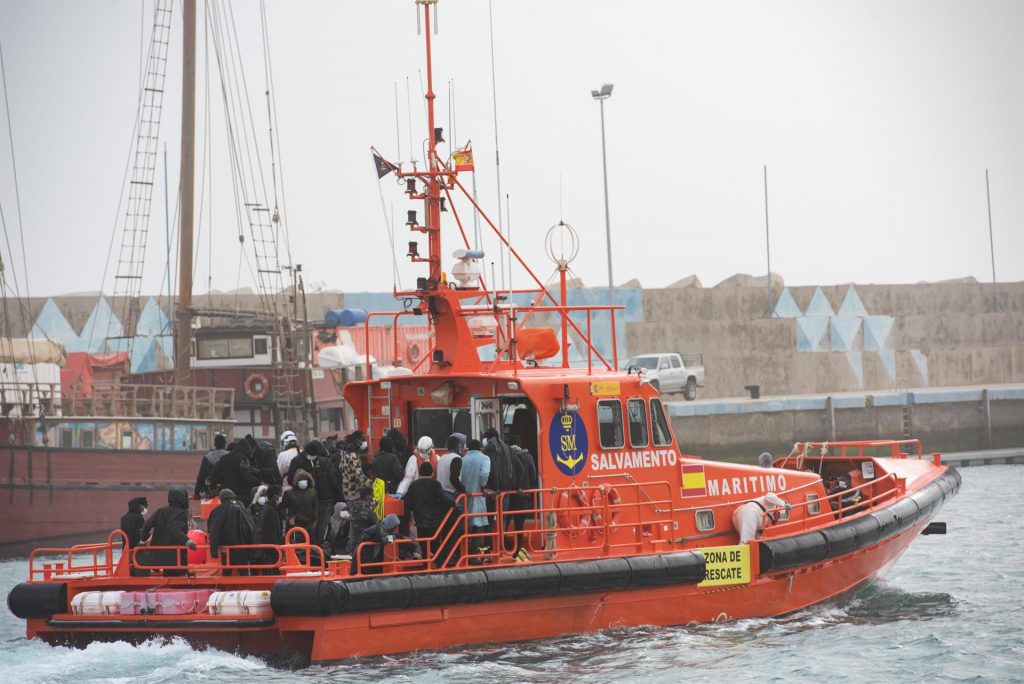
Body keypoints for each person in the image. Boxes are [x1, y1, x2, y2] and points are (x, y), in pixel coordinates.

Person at [287, 440, 339, 542]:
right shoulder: (298, 461)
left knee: (317, 524)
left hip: (321, 499)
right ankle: (314, 545)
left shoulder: (324, 461)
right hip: (308, 499)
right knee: (313, 523)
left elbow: (334, 481)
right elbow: (291, 479)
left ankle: (315, 545)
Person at [139, 488, 196, 575]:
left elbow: (147, 526)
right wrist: (189, 541)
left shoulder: (160, 511)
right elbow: (175, 530)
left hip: (157, 556)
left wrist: (143, 539)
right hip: (174, 558)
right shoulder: (181, 513)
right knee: (175, 576)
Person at [403, 461, 454, 558]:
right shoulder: (435, 484)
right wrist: (454, 503)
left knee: (423, 545)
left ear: (420, 472)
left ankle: (426, 564)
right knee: (435, 544)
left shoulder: (414, 485)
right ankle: (438, 563)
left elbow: (407, 503)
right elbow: (443, 498)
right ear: (432, 473)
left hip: (420, 520)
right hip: (434, 521)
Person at [207, 488, 257, 574]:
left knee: (226, 571)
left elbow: (214, 531)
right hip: (241, 548)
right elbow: (250, 527)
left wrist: (214, 551)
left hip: (225, 549)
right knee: (243, 571)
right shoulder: (241, 510)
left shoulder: (216, 511)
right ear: (232, 498)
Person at [460, 438, 492, 564]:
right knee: (479, 526)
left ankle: (465, 554)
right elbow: (484, 474)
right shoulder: (484, 458)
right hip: (478, 495)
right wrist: (483, 487)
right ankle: (474, 556)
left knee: (466, 526)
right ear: (480, 448)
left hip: (465, 497)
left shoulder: (463, 459)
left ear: (468, 447)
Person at [508, 440, 539, 562]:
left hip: (509, 496)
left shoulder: (509, 458)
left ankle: (501, 548)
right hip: (524, 495)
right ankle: (517, 549)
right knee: (519, 525)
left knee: (503, 522)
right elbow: (534, 475)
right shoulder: (528, 457)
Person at [209, 436, 261, 500]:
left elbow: (213, 474)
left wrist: (213, 487)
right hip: (242, 494)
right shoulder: (244, 459)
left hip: (227, 493)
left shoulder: (224, 457)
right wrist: (258, 483)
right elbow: (248, 477)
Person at [254, 484, 284, 573]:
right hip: (271, 548)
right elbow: (268, 530)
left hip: (272, 547)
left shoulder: (271, 508)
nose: (280, 497)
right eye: (280, 495)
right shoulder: (269, 510)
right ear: (275, 496)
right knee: (271, 570)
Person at [282, 469, 319, 540]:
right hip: (293, 525)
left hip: (309, 525)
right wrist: (287, 518)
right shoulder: (289, 493)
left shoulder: (313, 492)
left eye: (305, 478)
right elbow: (282, 508)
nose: (303, 480)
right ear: (296, 481)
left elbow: (315, 508)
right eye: (300, 479)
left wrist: (315, 522)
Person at [340, 433, 373, 504]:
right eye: (363, 440)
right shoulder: (353, 456)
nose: (365, 442)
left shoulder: (345, 453)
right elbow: (359, 475)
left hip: (347, 490)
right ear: (358, 442)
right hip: (354, 493)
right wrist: (373, 485)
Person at [345, 486, 379, 555]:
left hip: (352, 546)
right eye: (372, 496)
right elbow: (379, 526)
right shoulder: (368, 512)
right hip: (364, 547)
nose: (373, 498)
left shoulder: (352, 509)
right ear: (367, 497)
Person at [194, 433, 228, 499]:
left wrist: (196, 492)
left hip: (210, 489)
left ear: (215, 445)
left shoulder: (207, 457)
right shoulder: (229, 456)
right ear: (225, 444)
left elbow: (201, 476)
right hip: (226, 490)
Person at [435, 434, 466, 503]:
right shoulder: (456, 458)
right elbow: (454, 478)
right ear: (458, 446)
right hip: (451, 494)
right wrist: (463, 489)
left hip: (440, 493)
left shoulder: (442, 457)